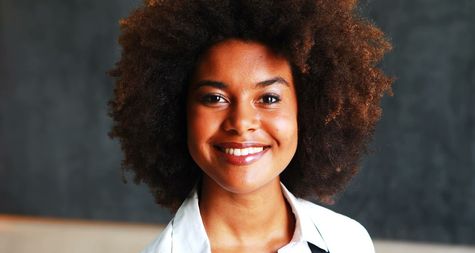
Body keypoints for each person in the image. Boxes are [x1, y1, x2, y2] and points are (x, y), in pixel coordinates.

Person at [108, 0, 393, 252]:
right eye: (215, 98)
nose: (241, 123)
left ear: (307, 110)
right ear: (174, 112)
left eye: (268, 98)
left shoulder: (347, 241)